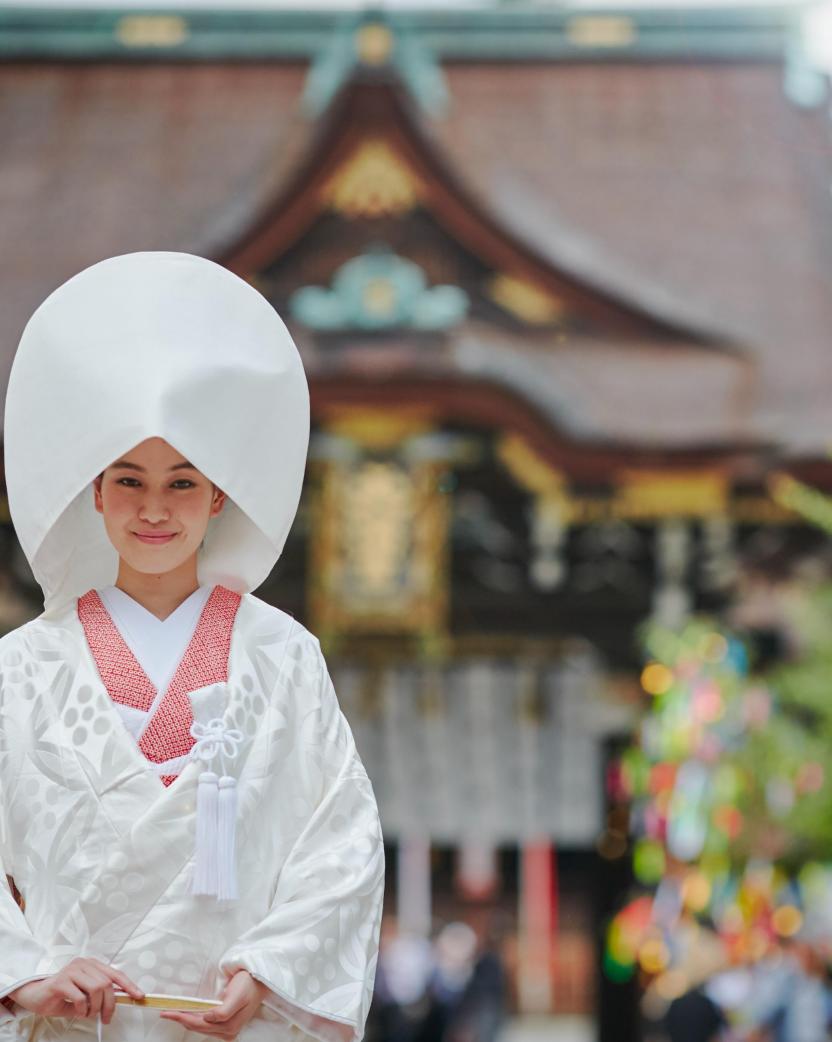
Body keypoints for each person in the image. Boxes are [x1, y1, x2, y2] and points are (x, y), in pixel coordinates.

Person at [0, 252, 385, 1041]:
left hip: (230, 1022)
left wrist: (274, 968)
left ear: (218, 496)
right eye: (128, 481)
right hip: (75, 1026)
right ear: (95, 494)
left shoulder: (284, 656)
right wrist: (30, 972)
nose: (154, 509)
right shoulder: (22, 668)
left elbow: (342, 839)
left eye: (181, 482)